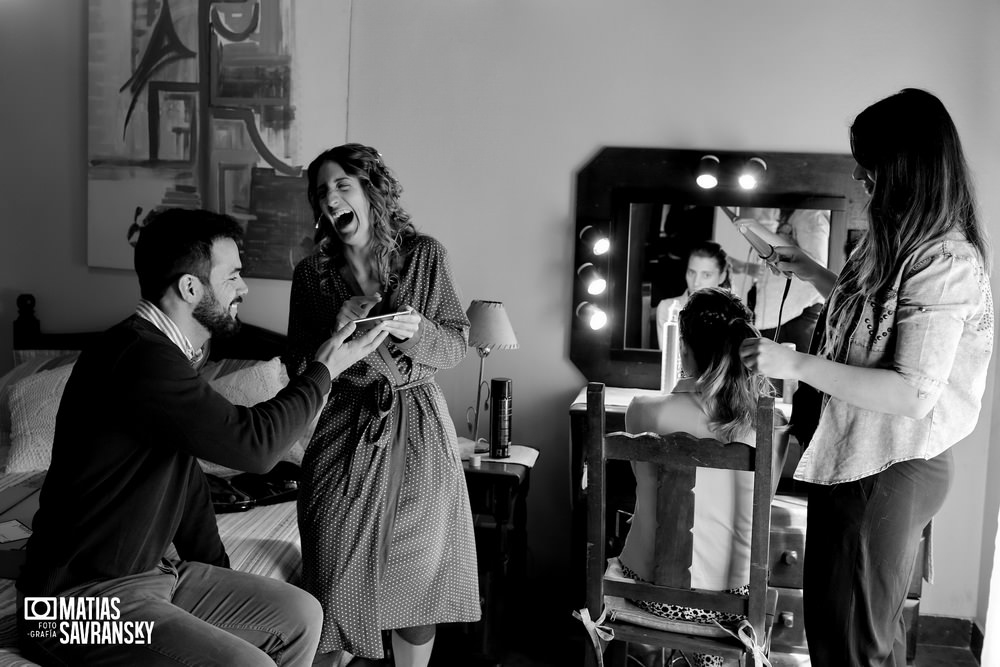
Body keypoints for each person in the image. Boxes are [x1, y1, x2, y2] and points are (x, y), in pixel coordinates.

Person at [16, 208, 388, 666]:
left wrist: (221, 579)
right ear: (191, 288)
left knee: (302, 614)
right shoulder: (137, 357)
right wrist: (322, 371)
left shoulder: (170, 354)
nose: (243, 288)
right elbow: (254, 446)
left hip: (151, 575)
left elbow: (185, 480)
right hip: (73, 607)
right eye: (232, 275)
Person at [739, 88, 993, 667]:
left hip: (889, 465)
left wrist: (795, 363)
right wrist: (810, 271)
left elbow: (910, 392)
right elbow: (876, 321)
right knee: (853, 632)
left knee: (850, 643)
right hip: (860, 457)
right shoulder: (893, 237)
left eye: (870, 159)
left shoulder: (944, 261)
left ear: (908, 165)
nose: (858, 172)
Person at [287, 144, 480, 666]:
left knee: (416, 579)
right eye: (321, 192)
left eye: (342, 186)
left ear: (371, 194)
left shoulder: (424, 256)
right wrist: (337, 331)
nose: (330, 199)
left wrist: (420, 333)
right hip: (344, 427)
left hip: (416, 431)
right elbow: (298, 367)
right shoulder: (311, 276)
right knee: (331, 573)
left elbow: (456, 344)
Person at [622, 287, 786, 667]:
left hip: (651, 588)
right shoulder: (770, 426)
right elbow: (767, 500)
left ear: (683, 347)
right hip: (734, 600)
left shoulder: (643, 412)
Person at [731, 207, 829, 354]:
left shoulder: (810, 215)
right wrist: (744, 267)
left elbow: (816, 267)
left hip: (796, 317)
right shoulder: (787, 214)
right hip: (771, 316)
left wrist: (759, 229)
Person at [655, 240, 732, 348]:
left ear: (722, 277)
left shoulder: (732, 312)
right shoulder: (669, 308)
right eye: (692, 273)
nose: (696, 282)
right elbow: (671, 357)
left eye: (706, 275)